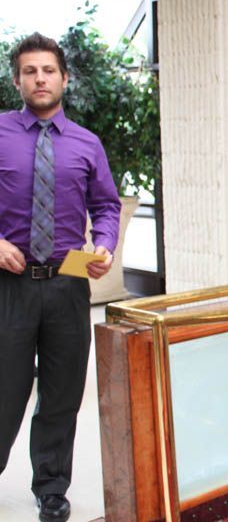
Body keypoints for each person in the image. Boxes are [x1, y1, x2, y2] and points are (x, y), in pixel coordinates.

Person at [0, 32, 120, 522]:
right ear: (17, 80)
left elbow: (107, 206)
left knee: (62, 391)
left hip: (69, 282)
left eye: (48, 70)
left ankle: (52, 486)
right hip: (9, 284)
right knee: (4, 390)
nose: (40, 78)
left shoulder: (87, 144)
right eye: (30, 71)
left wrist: (105, 246)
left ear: (64, 79)